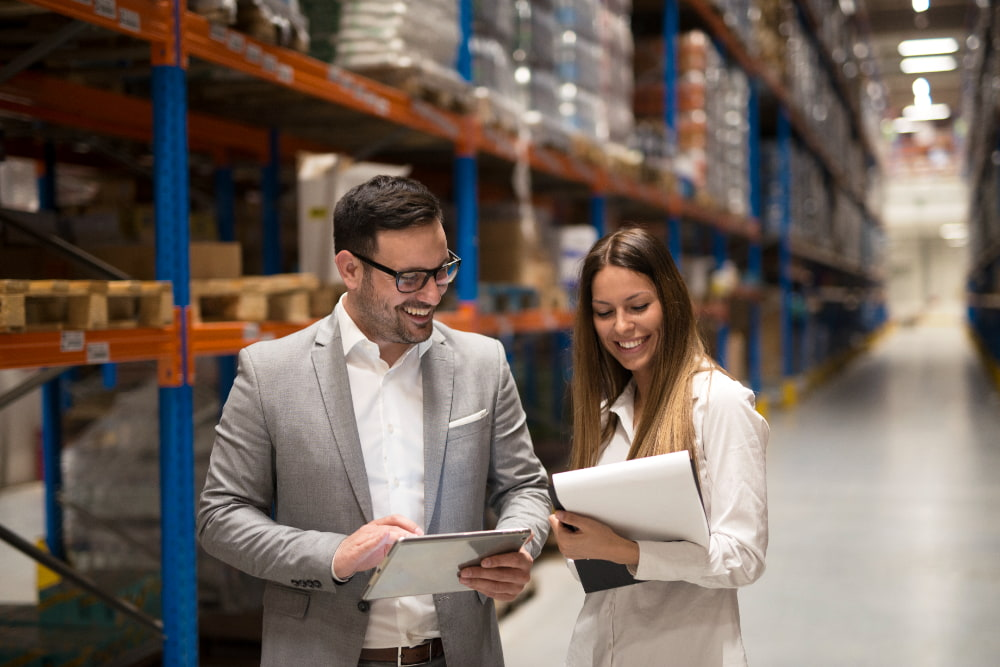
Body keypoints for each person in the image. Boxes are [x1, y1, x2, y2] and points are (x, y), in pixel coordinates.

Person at [198, 174, 551, 666]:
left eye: (442, 270)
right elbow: (221, 516)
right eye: (409, 278)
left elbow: (525, 487)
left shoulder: (482, 363)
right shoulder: (271, 373)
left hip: (457, 653)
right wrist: (334, 557)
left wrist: (523, 546)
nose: (431, 295)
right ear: (350, 269)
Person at [548, 226, 768, 666]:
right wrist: (576, 543)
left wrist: (624, 551)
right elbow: (589, 564)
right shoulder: (606, 415)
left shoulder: (719, 405)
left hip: (685, 651)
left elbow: (743, 557)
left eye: (638, 306)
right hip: (599, 649)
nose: (622, 327)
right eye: (603, 312)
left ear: (671, 301)